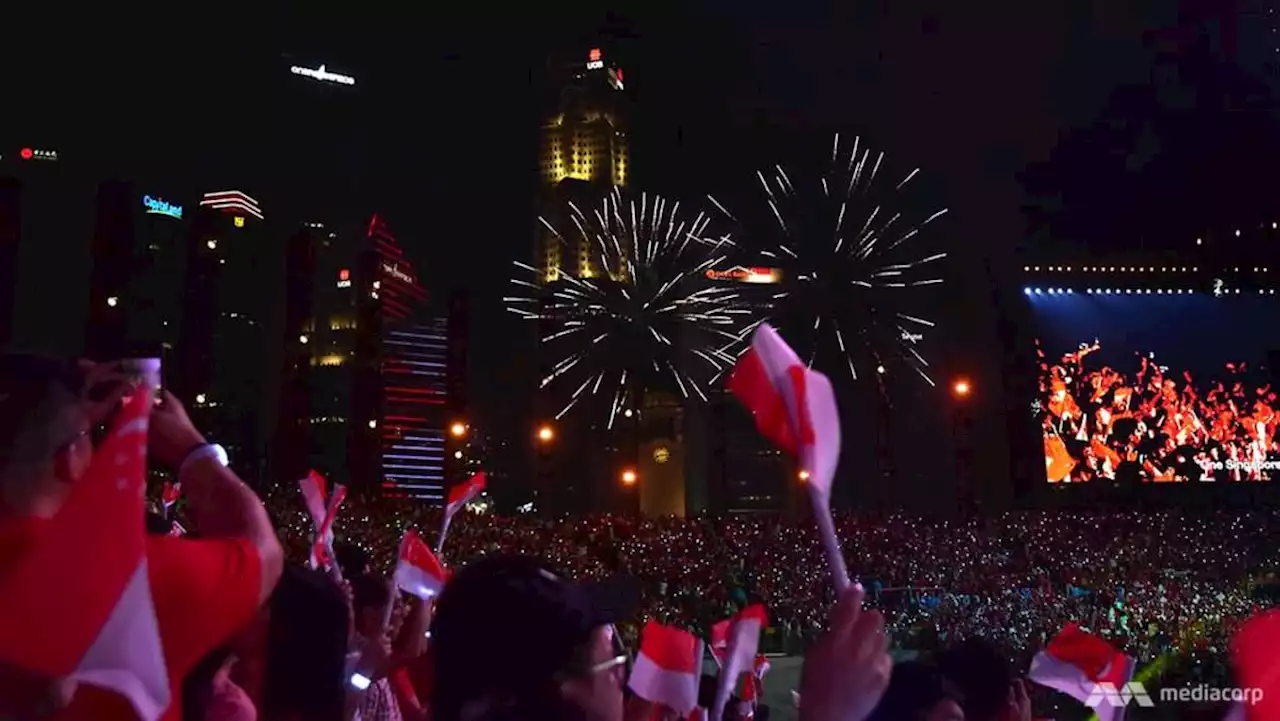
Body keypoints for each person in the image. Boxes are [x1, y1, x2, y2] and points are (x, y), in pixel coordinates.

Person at [0, 353, 284, 719]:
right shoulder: (120, 581)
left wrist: (65, 411)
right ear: (69, 458)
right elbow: (264, 556)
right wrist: (192, 449)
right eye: (89, 438)